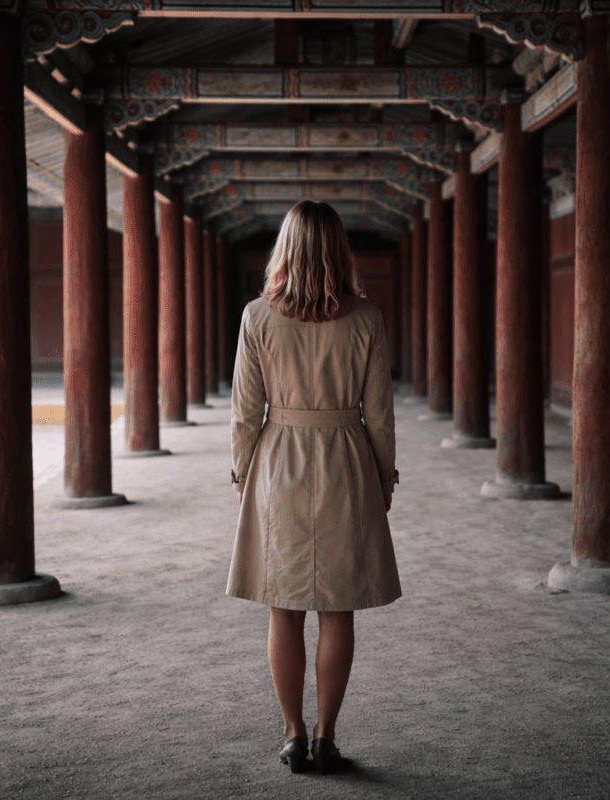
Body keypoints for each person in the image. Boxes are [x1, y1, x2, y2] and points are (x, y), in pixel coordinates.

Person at [227, 200, 402, 775]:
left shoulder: (257, 317)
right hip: (346, 460)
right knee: (338, 607)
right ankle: (327, 737)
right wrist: (384, 478)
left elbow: (245, 413)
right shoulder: (367, 318)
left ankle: (292, 734)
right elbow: (378, 414)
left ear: (285, 249)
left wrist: (240, 475)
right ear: (339, 251)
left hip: (278, 460)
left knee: (283, 607)